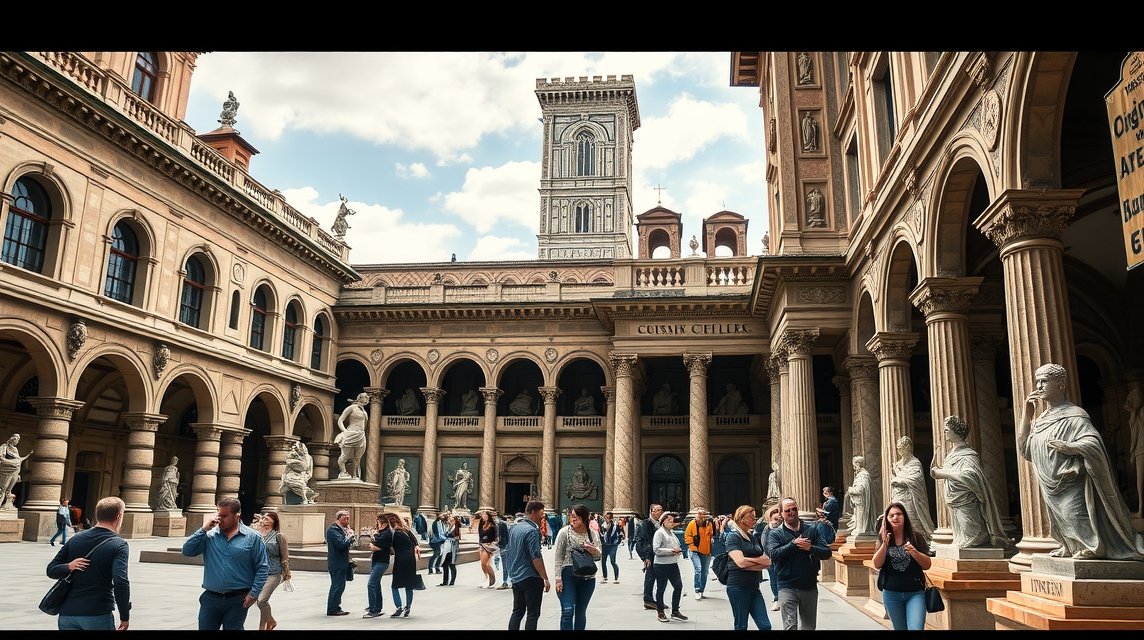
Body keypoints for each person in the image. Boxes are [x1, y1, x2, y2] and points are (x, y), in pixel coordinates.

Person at [1019, 363, 1144, 559]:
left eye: (1044, 381)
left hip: (1070, 479)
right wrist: (1026, 416)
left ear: (1060, 385)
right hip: (1048, 482)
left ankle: (1093, 547)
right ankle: (1070, 545)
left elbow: (1093, 441)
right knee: (1061, 519)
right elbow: (1025, 449)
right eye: (1037, 381)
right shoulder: (1041, 419)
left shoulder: (1074, 414)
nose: (1039, 386)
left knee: (1075, 514)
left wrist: (1071, 447)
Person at [181, 496, 269, 630]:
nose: (220, 519)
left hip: (238, 599)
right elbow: (187, 551)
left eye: (224, 515)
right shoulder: (210, 536)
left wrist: (253, 594)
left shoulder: (253, 538)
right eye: (218, 514)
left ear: (237, 515)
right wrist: (203, 529)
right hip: (210, 598)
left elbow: (262, 568)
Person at [46, 496, 131, 630]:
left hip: (68, 613)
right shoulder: (119, 545)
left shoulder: (75, 539)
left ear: (98, 515)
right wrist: (124, 616)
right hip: (97, 613)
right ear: (119, 515)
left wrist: (68, 566)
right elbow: (120, 581)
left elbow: (51, 570)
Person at [930, 415, 1014, 550]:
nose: (944, 432)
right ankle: (963, 540)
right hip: (955, 500)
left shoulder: (968, 453)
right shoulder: (952, 453)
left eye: (947, 429)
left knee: (973, 534)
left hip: (966, 499)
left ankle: (979, 540)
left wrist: (942, 473)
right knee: (962, 534)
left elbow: (971, 475)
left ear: (955, 431)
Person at [765, 497, 833, 630]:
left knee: (809, 627)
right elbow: (773, 555)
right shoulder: (775, 534)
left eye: (794, 509)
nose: (791, 512)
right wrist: (792, 544)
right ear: (781, 513)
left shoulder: (812, 530)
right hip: (786, 586)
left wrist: (811, 548)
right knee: (790, 626)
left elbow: (827, 552)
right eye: (787, 510)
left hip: (809, 585)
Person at [872, 501, 933, 631]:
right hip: (891, 593)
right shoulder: (883, 538)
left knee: (916, 628)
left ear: (904, 516)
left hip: (915, 593)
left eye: (899, 514)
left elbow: (927, 565)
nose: (895, 517)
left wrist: (915, 553)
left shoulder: (916, 537)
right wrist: (884, 544)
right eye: (892, 515)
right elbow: (877, 564)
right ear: (887, 519)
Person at [553, 503, 602, 630]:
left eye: (577, 517)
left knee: (580, 612)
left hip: (588, 577)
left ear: (584, 518)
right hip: (568, 574)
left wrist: (592, 550)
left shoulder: (593, 534)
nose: (573, 519)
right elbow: (558, 556)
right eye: (572, 516)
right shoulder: (564, 532)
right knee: (567, 610)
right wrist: (558, 578)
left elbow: (598, 556)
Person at [723, 504, 773, 630]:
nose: (754, 520)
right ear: (741, 519)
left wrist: (748, 563)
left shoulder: (752, 537)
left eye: (754, 517)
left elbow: (767, 563)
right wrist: (758, 562)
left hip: (754, 588)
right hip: (738, 587)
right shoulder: (733, 537)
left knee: (765, 626)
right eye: (751, 517)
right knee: (741, 625)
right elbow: (740, 562)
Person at [506, 500, 552, 631]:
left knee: (518, 611)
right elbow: (536, 556)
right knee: (533, 614)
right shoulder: (532, 531)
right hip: (530, 576)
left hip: (516, 576)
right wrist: (545, 578)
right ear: (533, 512)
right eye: (541, 513)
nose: (543, 516)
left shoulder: (515, 527)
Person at [890, 435, 936, 543]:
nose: (899, 451)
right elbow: (893, 478)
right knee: (897, 520)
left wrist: (900, 480)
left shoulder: (915, 462)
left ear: (907, 448)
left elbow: (915, 479)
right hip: (898, 496)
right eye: (898, 448)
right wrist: (894, 476)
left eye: (900, 448)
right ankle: (901, 542)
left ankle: (919, 543)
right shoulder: (897, 464)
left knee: (911, 519)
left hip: (910, 497)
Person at [255, 511, 291, 630]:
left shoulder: (279, 536)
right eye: (263, 518)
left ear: (273, 521)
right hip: (260, 572)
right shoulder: (259, 534)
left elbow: (285, 557)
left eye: (266, 518)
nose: (263, 520)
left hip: (275, 572)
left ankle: (266, 624)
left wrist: (286, 573)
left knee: (261, 600)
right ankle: (267, 623)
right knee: (260, 602)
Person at [651, 511, 687, 623]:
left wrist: (677, 550)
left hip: (673, 564)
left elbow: (676, 544)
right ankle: (660, 611)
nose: (671, 523)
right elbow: (656, 549)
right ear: (663, 521)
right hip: (661, 565)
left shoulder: (671, 532)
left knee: (678, 586)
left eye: (672, 521)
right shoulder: (659, 533)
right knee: (661, 588)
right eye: (669, 520)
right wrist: (671, 551)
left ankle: (675, 610)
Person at [387, 512, 421, 617]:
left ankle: (399, 607)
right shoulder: (406, 531)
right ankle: (408, 607)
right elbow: (415, 542)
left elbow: (388, 546)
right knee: (409, 585)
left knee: (395, 585)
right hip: (410, 560)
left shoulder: (393, 533)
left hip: (400, 560)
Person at [362, 512, 393, 618]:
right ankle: (377, 607)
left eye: (378, 522)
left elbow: (376, 546)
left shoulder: (387, 533)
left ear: (382, 522)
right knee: (376, 584)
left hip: (382, 561)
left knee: (371, 584)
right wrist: (374, 543)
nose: (377, 524)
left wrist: (374, 544)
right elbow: (375, 545)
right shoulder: (381, 532)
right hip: (377, 560)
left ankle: (373, 609)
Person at [325, 509, 355, 616]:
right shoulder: (333, 530)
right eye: (345, 517)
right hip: (337, 562)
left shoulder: (340, 529)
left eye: (348, 517)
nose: (347, 519)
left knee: (340, 585)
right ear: (339, 518)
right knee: (337, 586)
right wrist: (350, 537)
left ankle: (336, 607)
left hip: (341, 561)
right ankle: (332, 609)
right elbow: (341, 544)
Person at [635, 503, 665, 610]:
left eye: (661, 510)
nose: (661, 512)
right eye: (658, 510)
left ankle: (658, 601)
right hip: (650, 555)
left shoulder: (661, 524)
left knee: (660, 579)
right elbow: (640, 542)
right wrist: (645, 557)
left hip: (660, 555)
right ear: (652, 512)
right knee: (650, 578)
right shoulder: (644, 524)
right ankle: (648, 600)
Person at [684, 507, 715, 600]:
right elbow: (687, 536)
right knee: (698, 569)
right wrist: (693, 547)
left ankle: (701, 590)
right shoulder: (692, 523)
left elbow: (711, 535)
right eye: (701, 515)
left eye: (705, 515)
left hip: (706, 551)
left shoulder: (709, 523)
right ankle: (697, 590)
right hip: (695, 551)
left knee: (705, 572)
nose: (703, 517)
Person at [335, 392, 369, 480]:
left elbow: (365, 425)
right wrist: (345, 431)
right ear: (359, 398)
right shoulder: (351, 408)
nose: (367, 398)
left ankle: (355, 476)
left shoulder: (364, 412)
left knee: (357, 458)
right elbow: (340, 420)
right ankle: (343, 472)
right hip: (351, 433)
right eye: (365, 397)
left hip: (361, 435)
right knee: (345, 456)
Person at [1125, 383, 1144, 516]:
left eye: (1132, 397)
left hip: (1142, 448)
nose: (1129, 399)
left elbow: (1139, 430)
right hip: (1139, 448)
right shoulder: (1136, 412)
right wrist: (1132, 412)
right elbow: (1134, 430)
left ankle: (1141, 509)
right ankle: (1141, 508)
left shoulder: (1142, 411)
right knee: (1139, 480)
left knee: (1140, 480)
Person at [845, 456, 877, 536]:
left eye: (854, 466)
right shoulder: (861, 474)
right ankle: (860, 529)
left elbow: (860, 489)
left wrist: (851, 490)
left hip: (862, 503)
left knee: (861, 518)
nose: (854, 468)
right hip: (859, 502)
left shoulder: (863, 475)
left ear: (858, 464)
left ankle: (862, 529)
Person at [759, 504, 783, 610]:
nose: (776, 521)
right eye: (775, 518)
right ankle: (777, 598)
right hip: (771, 558)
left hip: (782, 557)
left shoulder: (784, 528)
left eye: (779, 518)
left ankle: (784, 598)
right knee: (773, 579)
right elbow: (763, 542)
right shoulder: (767, 528)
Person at [0, 433, 32, 510]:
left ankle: (7, 506)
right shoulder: (4, 446)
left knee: (9, 490)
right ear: (12, 439)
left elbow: (19, 459)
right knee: (2, 489)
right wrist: (11, 462)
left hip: (16, 470)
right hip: (7, 470)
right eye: (16, 439)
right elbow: (1, 457)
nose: (17, 441)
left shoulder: (15, 449)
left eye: (18, 439)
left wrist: (28, 455)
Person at [437, 513, 461, 586]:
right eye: (450, 520)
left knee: (452, 564)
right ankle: (445, 581)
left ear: (455, 521)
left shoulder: (457, 528)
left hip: (453, 548)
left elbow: (458, 537)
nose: (450, 521)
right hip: (447, 548)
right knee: (445, 565)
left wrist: (452, 539)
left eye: (451, 520)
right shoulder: (449, 527)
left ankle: (452, 581)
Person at [599, 511, 624, 584]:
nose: (606, 519)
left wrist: (617, 542)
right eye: (606, 517)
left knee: (613, 561)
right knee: (603, 561)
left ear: (611, 518)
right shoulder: (602, 525)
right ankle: (605, 577)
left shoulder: (615, 525)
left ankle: (616, 578)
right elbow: (601, 534)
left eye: (608, 518)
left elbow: (620, 533)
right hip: (604, 545)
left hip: (613, 545)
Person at [476, 510, 499, 588]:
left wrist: (493, 543)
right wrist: (480, 543)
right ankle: (486, 577)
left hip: (488, 545)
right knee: (482, 564)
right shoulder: (481, 524)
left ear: (488, 516)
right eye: (483, 515)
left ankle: (492, 579)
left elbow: (495, 536)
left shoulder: (492, 525)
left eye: (485, 515)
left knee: (486, 563)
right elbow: (480, 535)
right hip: (482, 545)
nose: (484, 517)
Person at [495, 512, 513, 589]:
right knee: (508, 565)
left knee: (505, 566)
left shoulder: (501, 524)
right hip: (508, 547)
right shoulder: (509, 525)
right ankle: (510, 581)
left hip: (504, 547)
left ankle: (506, 582)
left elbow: (501, 537)